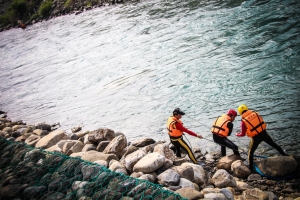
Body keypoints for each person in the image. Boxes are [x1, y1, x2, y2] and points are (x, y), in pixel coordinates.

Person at [236, 104, 288, 172]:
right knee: (274, 145)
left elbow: (242, 134)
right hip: (264, 134)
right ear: (247, 108)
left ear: (240, 112)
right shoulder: (256, 113)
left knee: (250, 153)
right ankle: (285, 155)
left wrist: (237, 134)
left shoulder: (243, 121)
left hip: (255, 138)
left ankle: (251, 168)